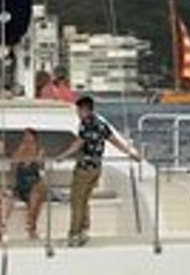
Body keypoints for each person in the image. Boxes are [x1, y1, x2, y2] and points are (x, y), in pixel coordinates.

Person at [53, 95, 137, 246]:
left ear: (85, 109)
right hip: (96, 169)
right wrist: (130, 153)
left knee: (76, 202)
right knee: (84, 201)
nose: (77, 113)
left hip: (84, 169)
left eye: (79, 110)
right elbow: (115, 141)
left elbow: (78, 144)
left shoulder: (85, 124)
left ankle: (74, 234)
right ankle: (84, 231)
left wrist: (62, 156)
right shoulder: (101, 123)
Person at [10, 129, 48, 239]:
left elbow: (42, 171)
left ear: (35, 140)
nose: (27, 142)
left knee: (37, 191)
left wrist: (39, 158)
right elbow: (13, 169)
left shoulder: (39, 151)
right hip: (22, 185)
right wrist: (19, 153)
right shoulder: (18, 152)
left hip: (35, 184)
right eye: (25, 139)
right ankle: (32, 226)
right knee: (37, 196)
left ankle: (31, 225)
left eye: (30, 139)